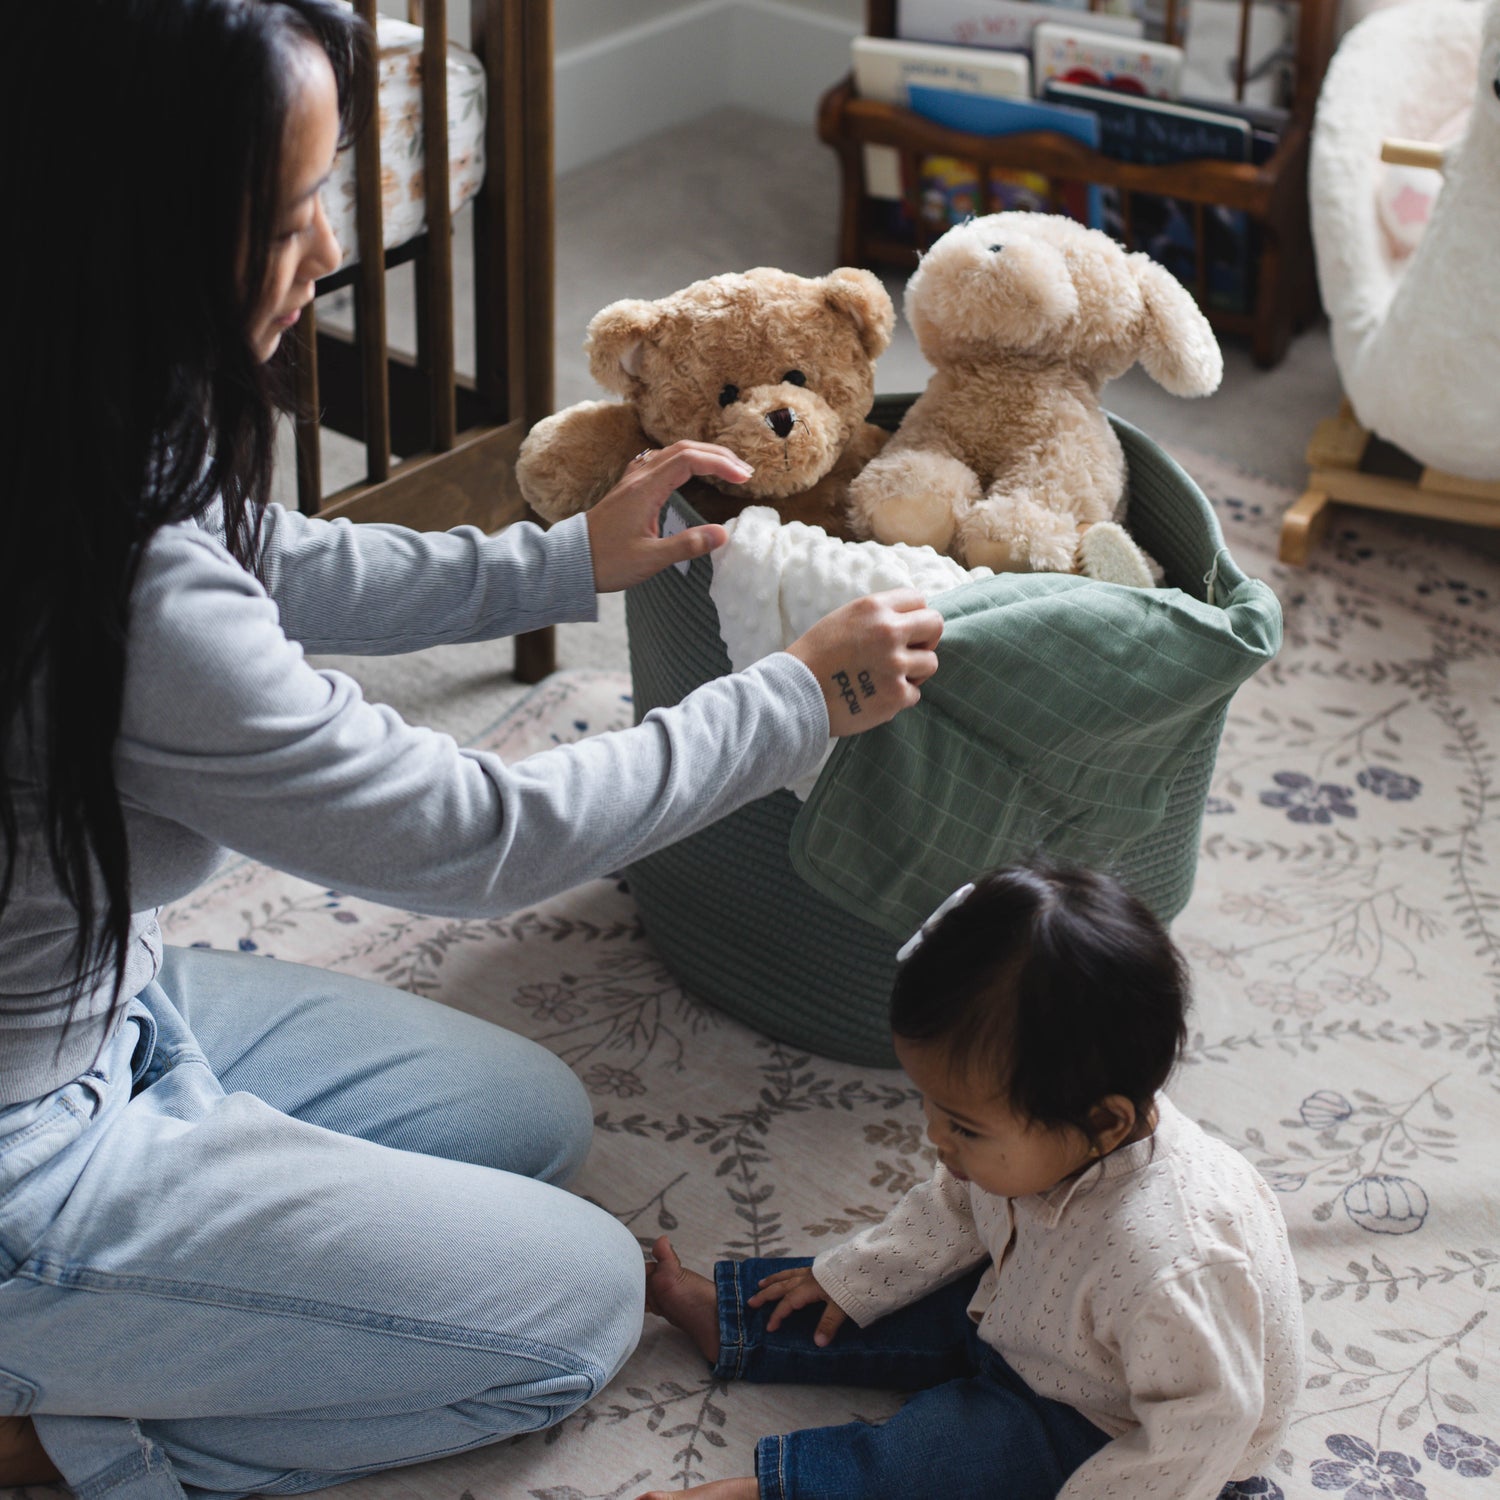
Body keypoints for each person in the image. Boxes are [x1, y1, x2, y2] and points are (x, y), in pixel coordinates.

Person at [0, 3, 945, 1497]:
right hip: (21, 1155)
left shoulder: (67, 394)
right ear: (138, 222)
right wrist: (792, 699)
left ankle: (181, 1236)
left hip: (111, 1005)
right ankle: (50, 1419)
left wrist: (557, 564)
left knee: (530, 1120)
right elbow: (476, 838)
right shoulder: (117, 572)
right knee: (569, 1312)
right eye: (287, 211)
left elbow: (270, 558)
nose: (329, 249)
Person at [638, 863, 1306, 1500]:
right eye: (930, 1106)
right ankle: (739, 1323)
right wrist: (848, 1275)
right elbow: (954, 1210)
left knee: (946, 1454)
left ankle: (778, 1489)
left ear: (1104, 1122)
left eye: (963, 1126)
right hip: (1034, 1306)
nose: (935, 1137)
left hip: (1103, 1412)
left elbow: (1206, 1425)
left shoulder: (1174, 1263)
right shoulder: (1046, 1138)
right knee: (884, 1287)